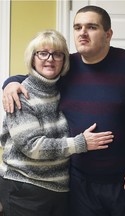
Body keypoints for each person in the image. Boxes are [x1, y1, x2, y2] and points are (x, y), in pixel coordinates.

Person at [2, 6, 125, 216]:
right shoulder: (66, 66)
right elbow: (36, 77)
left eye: (91, 27)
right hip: (79, 184)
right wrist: (10, 83)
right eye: (77, 27)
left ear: (108, 34)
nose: (83, 32)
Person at [0, 30, 113, 216]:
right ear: (33, 58)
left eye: (57, 54)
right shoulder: (20, 95)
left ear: (64, 60)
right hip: (24, 187)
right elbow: (33, 146)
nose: (50, 59)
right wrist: (80, 143)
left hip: (59, 189)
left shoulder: (63, 90)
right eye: (42, 53)